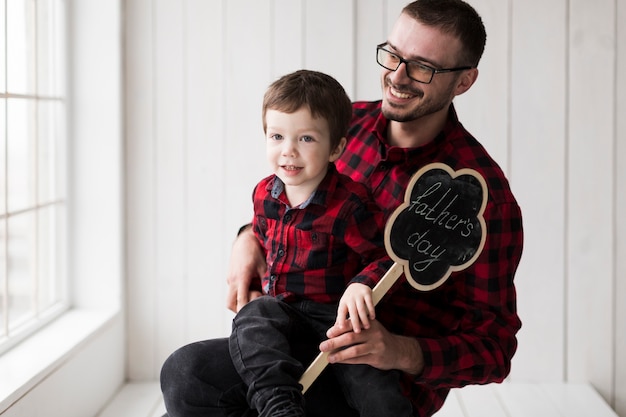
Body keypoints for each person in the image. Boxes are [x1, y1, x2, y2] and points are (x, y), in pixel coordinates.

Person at [160, 0, 524, 416]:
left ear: (464, 81)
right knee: (188, 374)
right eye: (393, 55)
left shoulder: (482, 196)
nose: (398, 77)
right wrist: (247, 238)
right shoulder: (340, 127)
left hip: (379, 381)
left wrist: (400, 351)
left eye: (423, 67)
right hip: (300, 332)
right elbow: (294, 204)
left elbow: (494, 346)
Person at [228, 69, 411, 417]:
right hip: (282, 310)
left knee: (378, 393)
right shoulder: (264, 194)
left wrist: (362, 284)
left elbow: (387, 257)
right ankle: (279, 406)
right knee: (252, 319)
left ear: (336, 148)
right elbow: (263, 243)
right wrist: (252, 283)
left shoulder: (349, 204)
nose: (289, 152)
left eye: (306, 139)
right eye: (277, 136)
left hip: (335, 318)